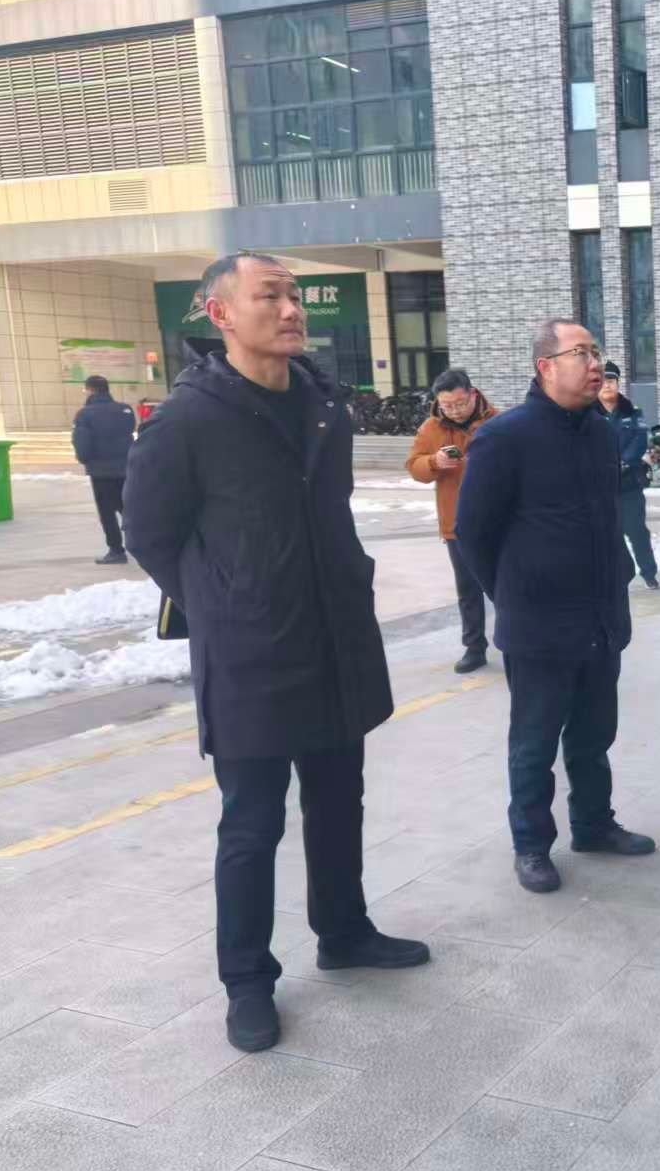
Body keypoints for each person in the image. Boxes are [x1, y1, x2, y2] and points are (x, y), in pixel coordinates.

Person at [123, 252, 430, 1055]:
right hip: (250, 654)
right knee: (252, 822)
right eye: (271, 296)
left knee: (338, 798)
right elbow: (149, 532)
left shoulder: (323, 403)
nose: (293, 309)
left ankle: (344, 930)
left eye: (296, 296)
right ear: (221, 313)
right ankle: (247, 978)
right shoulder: (188, 418)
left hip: (334, 635)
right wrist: (223, 602)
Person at [455, 321, 656, 894]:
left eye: (597, 353)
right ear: (545, 366)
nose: (596, 365)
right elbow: (473, 531)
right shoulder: (505, 437)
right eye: (581, 353)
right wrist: (513, 592)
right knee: (535, 742)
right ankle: (531, 845)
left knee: (594, 735)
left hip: (599, 617)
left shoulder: (600, 432)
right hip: (539, 625)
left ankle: (593, 825)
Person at [406, 368, 498, 673]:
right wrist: (434, 462)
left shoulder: (497, 421)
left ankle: (519, 641)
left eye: (459, 403)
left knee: (508, 585)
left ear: (472, 394)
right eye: (447, 405)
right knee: (468, 591)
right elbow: (414, 466)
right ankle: (474, 647)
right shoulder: (431, 428)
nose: (454, 411)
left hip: (498, 522)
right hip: (457, 524)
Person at [598, 360, 659, 589]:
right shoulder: (587, 413)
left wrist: (623, 462)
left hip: (629, 484)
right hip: (600, 487)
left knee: (637, 532)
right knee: (606, 534)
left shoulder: (633, 412)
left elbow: (640, 440)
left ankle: (649, 573)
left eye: (611, 380)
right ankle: (614, 576)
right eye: (603, 381)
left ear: (618, 383)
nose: (607, 385)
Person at [71, 375, 137, 565]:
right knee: (128, 507)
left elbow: (82, 443)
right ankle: (147, 543)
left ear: (90, 390)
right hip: (126, 467)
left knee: (107, 512)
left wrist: (84, 459)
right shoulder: (125, 410)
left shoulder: (85, 414)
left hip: (101, 471)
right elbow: (130, 432)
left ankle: (116, 550)